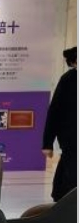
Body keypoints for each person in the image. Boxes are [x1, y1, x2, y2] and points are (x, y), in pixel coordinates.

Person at [42, 46, 77, 201]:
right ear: (74, 62)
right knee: (73, 174)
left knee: (68, 169)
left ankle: (60, 196)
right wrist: (47, 143)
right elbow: (55, 111)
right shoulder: (68, 79)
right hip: (71, 137)